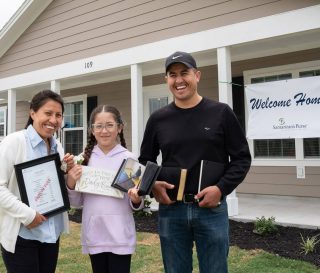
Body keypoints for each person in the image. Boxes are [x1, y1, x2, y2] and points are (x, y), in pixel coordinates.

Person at [138, 51, 252, 273]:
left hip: (211, 210)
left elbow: (241, 158)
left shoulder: (221, 113)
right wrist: (153, 185)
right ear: (166, 80)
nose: (179, 80)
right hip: (172, 211)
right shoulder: (158, 119)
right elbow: (146, 159)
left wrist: (220, 189)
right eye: (172, 75)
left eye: (184, 73)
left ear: (197, 75)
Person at [0, 89, 74, 273]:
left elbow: (53, 185)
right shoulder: (14, 142)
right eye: (48, 113)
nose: (54, 120)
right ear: (32, 112)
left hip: (51, 234)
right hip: (22, 234)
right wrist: (28, 215)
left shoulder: (57, 145)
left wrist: (67, 172)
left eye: (58, 115)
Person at [66, 105, 143, 273]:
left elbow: (135, 202)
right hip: (95, 233)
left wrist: (136, 199)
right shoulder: (83, 160)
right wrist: (71, 181)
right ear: (92, 130)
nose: (104, 131)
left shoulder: (129, 159)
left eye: (109, 125)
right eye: (98, 126)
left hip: (120, 235)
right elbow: (77, 202)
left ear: (119, 128)